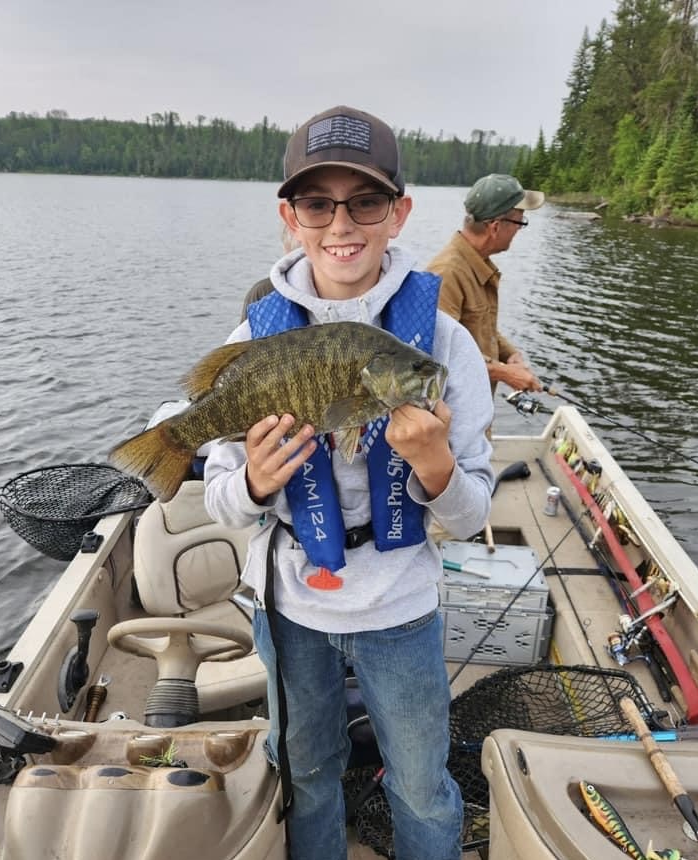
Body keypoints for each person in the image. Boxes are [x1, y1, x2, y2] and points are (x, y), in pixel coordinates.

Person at [203, 105, 494, 860]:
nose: (342, 222)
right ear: (288, 217)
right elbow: (221, 498)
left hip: (400, 601)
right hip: (290, 600)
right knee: (307, 768)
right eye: (316, 202)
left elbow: (470, 519)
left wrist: (435, 467)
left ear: (398, 213)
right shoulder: (253, 338)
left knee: (422, 782)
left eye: (365, 200)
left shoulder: (443, 345)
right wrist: (255, 487)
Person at [426, 173, 545, 396]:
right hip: (456, 420)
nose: (519, 229)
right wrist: (506, 373)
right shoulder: (447, 274)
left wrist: (509, 355)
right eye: (520, 221)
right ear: (496, 227)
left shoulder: (476, 261)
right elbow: (442, 354)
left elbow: (477, 328)